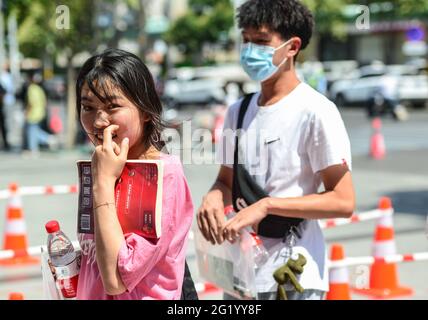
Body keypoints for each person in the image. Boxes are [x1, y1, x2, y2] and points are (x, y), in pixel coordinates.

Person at [197, 0, 355, 300]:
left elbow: (343, 200)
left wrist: (268, 205)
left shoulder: (316, 111)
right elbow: (225, 181)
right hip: (241, 275)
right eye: (245, 40)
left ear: (292, 47)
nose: (249, 50)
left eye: (261, 41)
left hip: (293, 276)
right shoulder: (238, 111)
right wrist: (213, 197)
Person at [75, 48, 196, 300]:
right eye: (87, 107)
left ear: (145, 110)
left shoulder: (162, 174)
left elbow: (117, 280)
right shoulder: (107, 165)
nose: (99, 121)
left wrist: (103, 183)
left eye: (112, 106)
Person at [25, 73, 57, 156]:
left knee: (31, 131)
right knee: (34, 130)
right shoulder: (40, 89)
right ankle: (49, 139)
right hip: (40, 112)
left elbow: (31, 102)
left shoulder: (31, 89)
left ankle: (34, 149)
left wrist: (27, 112)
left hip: (33, 113)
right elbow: (45, 102)